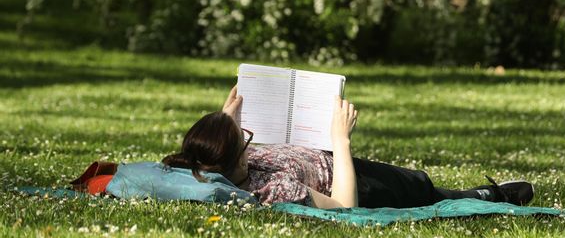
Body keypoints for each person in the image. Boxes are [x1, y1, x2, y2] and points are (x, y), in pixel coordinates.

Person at [161, 86, 534, 209]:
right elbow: (343, 207)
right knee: (422, 187)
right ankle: (487, 197)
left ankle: (474, 194)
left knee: (425, 185)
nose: (247, 140)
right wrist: (341, 138)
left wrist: (226, 118)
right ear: (236, 160)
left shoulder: (207, 161)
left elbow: (214, 150)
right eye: (243, 141)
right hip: (354, 181)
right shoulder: (271, 190)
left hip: (325, 157)